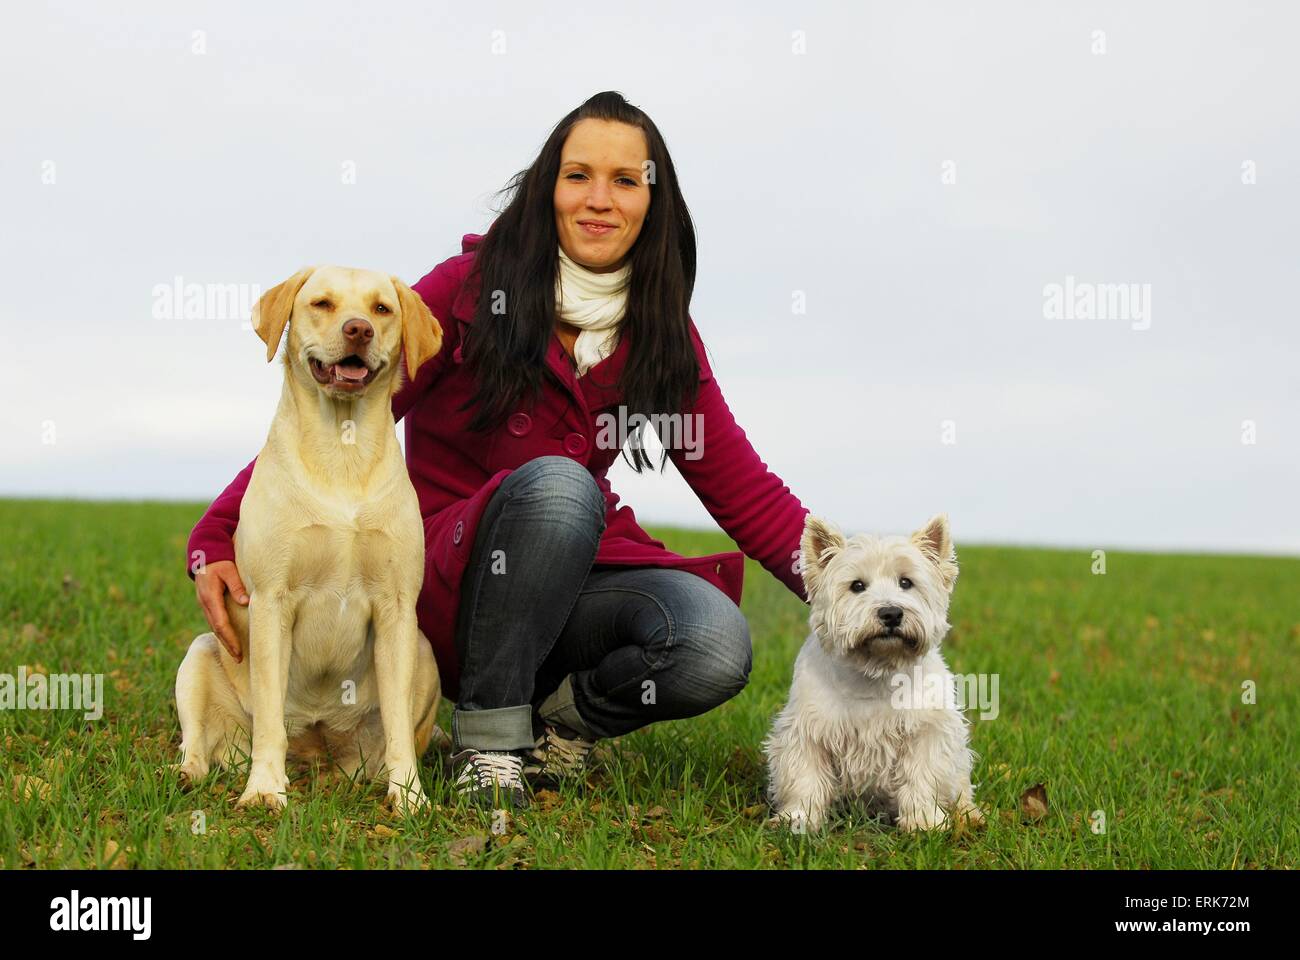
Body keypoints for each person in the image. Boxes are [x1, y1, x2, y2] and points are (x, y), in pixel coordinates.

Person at [188, 90, 811, 810]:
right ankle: (488, 744)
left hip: (568, 585)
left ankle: (555, 730)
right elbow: (332, 420)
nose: (598, 199)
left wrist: (872, 595)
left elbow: (747, 492)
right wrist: (215, 534)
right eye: (578, 176)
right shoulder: (471, 291)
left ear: (652, 200)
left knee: (713, 641)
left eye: (625, 180)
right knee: (557, 484)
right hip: (452, 580)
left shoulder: (661, 333)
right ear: (548, 187)